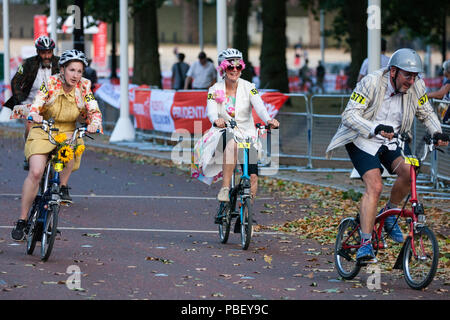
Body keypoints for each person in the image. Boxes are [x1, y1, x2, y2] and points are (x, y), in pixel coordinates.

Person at [326, 48, 448, 263]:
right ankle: (365, 243)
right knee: (375, 186)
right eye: (407, 76)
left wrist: (436, 131)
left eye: (415, 76)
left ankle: (390, 213)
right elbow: (349, 114)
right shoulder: (371, 82)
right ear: (393, 71)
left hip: (393, 140)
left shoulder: (416, 87)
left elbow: (426, 112)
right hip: (363, 138)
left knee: (410, 172)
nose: (411, 81)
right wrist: (374, 128)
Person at [11, 49, 103, 241]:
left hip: (68, 130)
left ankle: (61, 187)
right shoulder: (51, 82)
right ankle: (22, 220)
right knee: (36, 172)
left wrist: (95, 123)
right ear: (62, 69)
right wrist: (35, 113)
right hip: (44, 127)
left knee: (73, 146)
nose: (76, 75)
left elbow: (92, 107)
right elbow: (38, 102)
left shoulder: (85, 86)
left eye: (79, 71)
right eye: (72, 70)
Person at [191, 48, 279, 214]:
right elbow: (211, 110)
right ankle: (225, 188)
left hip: (247, 135)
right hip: (224, 132)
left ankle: (246, 214)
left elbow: (259, 106)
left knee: (253, 177)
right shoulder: (214, 90)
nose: (234, 70)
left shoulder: (249, 87)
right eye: (230, 67)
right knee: (231, 142)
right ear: (223, 68)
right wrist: (216, 120)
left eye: (238, 67)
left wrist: (268, 120)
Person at [3, 36, 59, 168]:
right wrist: (20, 99)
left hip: (52, 102)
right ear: (38, 52)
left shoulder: (60, 63)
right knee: (30, 126)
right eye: (43, 52)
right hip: (30, 102)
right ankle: (28, 152)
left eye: (49, 52)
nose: (46, 56)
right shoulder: (27, 63)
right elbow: (15, 81)